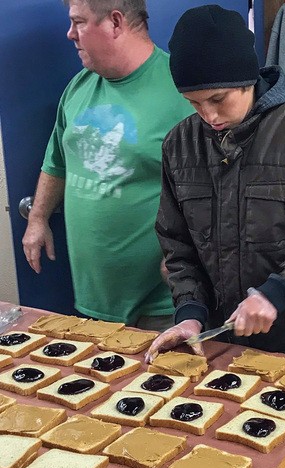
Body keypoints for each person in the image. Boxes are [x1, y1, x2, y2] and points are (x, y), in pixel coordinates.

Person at [145, 4, 285, 361]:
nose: (209, 115)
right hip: (217, 340)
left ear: (247, 79)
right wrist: (190, 313)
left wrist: (279, 292)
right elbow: (178, 247)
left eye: (218, 99)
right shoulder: (179, 145)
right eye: (194, 103)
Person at [22, 0, 193, 331]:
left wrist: (191, 254)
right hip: (92, 299)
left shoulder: (181, 92)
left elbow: (216, 189)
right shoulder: (79, 86)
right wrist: (38, 218)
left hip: (162, 304)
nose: (70, 34)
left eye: (79, 22)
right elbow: (57, 161)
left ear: (115, 22)